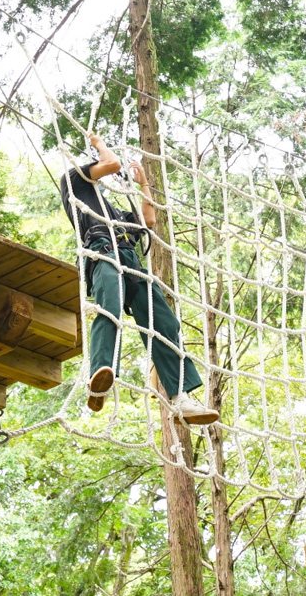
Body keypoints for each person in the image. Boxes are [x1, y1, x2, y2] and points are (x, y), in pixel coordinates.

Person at [60, 132, 219, 425]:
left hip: (130, 261)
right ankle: (101, 376)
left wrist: (143, 182)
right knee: (110, 304)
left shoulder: (116, 212)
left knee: (165, 322)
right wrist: (98, 144)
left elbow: (148, 220)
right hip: (102, 254)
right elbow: (110, 163)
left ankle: (181, 397)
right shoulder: (75, 183)